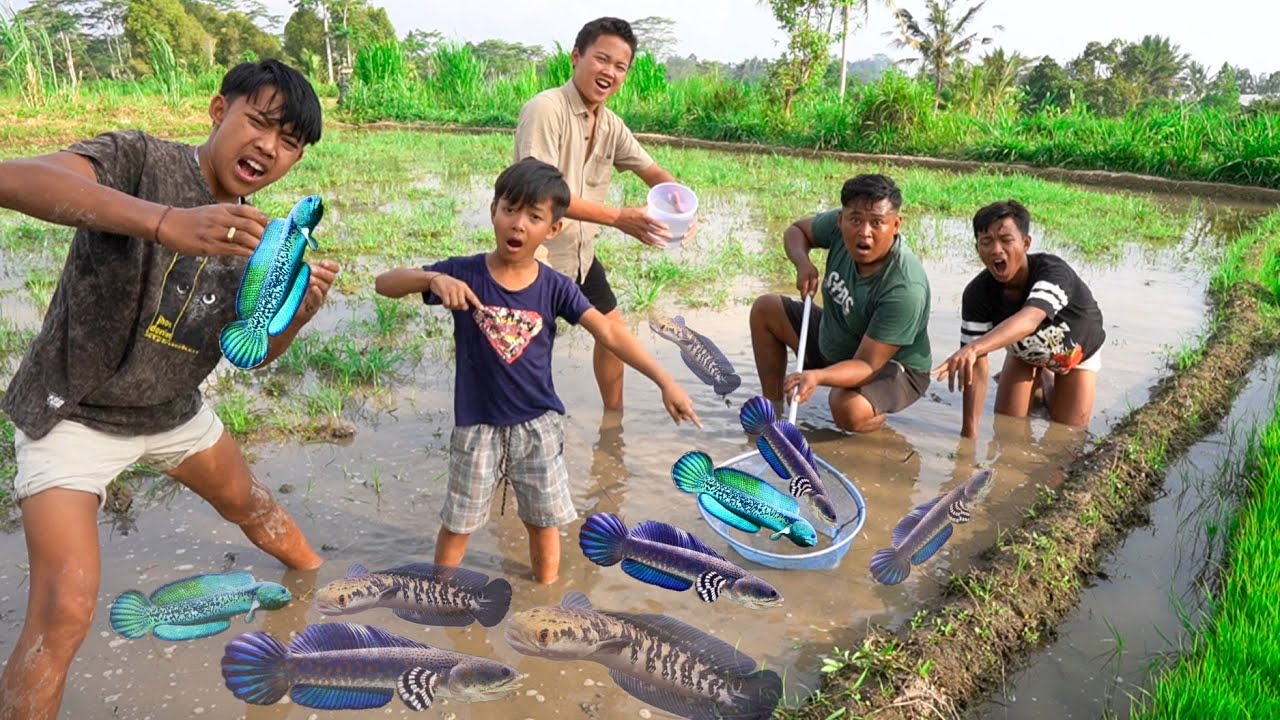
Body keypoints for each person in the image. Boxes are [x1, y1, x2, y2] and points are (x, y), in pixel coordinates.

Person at [0, 59, 336, 719]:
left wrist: (293, 318)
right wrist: (162, 222)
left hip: (173, 413)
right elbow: (12, 180)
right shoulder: (140, 161)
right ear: (219, 110)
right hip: (72, 416)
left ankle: (318, 595)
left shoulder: (263, 241)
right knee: (65, 606)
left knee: (259, 512)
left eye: (290, 142)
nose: (269, 147)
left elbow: (250, 353)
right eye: (259, 122)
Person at [374, 158, 700, 585]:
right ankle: (440, 593)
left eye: (534, 216)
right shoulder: (462, 273)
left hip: (538, 427)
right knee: (458, 523)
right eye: (509, 209)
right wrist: (432, 279)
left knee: (543, 524)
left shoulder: (555, 286)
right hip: (476, 427)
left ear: (553, 228)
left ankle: (544, 597)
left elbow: (610, 333)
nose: (518, 224)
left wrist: (666, 381)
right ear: (493, 210)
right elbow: (384, 283)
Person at [514, 16, 698, 411]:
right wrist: (619, 218)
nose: (610, 72)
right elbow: (540, 191)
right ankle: (525, 423)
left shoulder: (611, 124)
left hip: (580, 253)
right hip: (538, 256)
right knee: (527, 350)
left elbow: (653, 172)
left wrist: (684, 205)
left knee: (613, 334)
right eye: (601, 59)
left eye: (620, 66)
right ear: (576, 57)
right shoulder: (546, 109)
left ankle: (613, 420)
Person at [748, 173, 932, 433]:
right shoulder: (839, 227)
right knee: (766, 309)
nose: (864, 232)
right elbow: (796, 231)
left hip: (889, 365)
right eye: (855, 220)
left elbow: (867, 364)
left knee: (848, 408)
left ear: (896, 224)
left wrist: (818, 376)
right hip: (837, 336)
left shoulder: (905, 288)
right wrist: (803, 263)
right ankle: (773, 412)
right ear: (840, 219)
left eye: (877, 223)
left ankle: (877, 419)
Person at [933, 199, 1104, 438]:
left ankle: (1046, 380)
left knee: (1067, 433)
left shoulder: (1053, 271)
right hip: (1025, 352)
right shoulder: (977, 293)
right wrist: (968, 435)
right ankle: (1039, 372)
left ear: (1026, 243)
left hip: (1077, 352)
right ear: (977, 248)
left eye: (1006, 240)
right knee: (1007, 426)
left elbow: (1030, 319)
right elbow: (976, 365)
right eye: (986, 242)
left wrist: (973, 347)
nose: (996, 249)